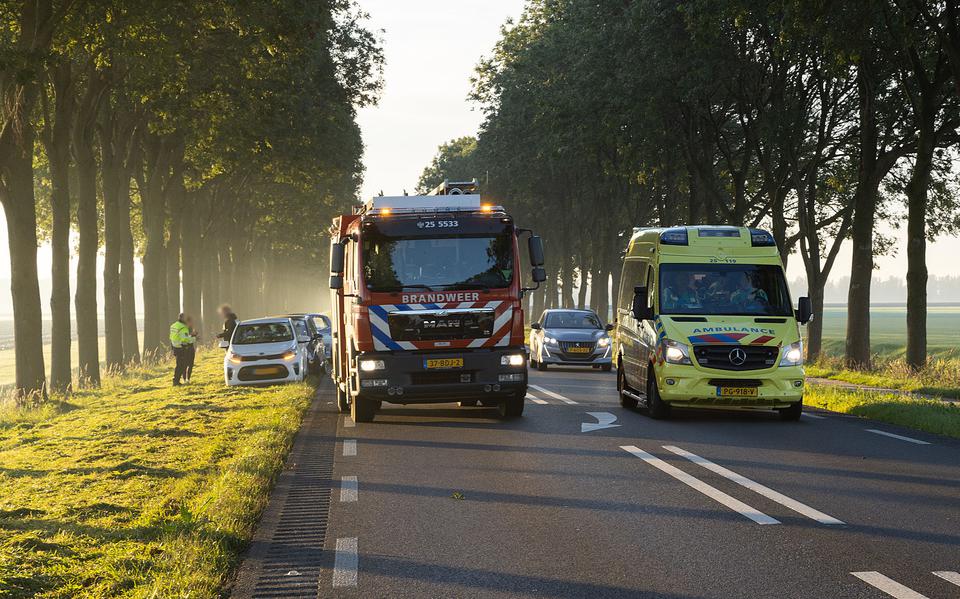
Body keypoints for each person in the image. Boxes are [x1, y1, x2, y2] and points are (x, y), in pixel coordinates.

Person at [170, 313, 196, 386]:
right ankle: (176, 382)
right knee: (180, 366)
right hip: (181, 348)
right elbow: (185, 339)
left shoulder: (174, 325)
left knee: (179, 365)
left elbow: (173, 337)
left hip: (175, 347)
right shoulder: (183, 327)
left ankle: (176, 381)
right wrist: (194, 338)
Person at [184, 315, 198, 382]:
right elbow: (185, 338)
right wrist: (192, 335)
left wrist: (194, 335)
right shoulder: (184, 329)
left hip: (191, 348)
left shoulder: (191, 328)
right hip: (186, 348)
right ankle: (185, 379)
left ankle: (188, 379)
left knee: (190, 364)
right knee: (186, 364)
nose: (192, 323)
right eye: (191, 321)